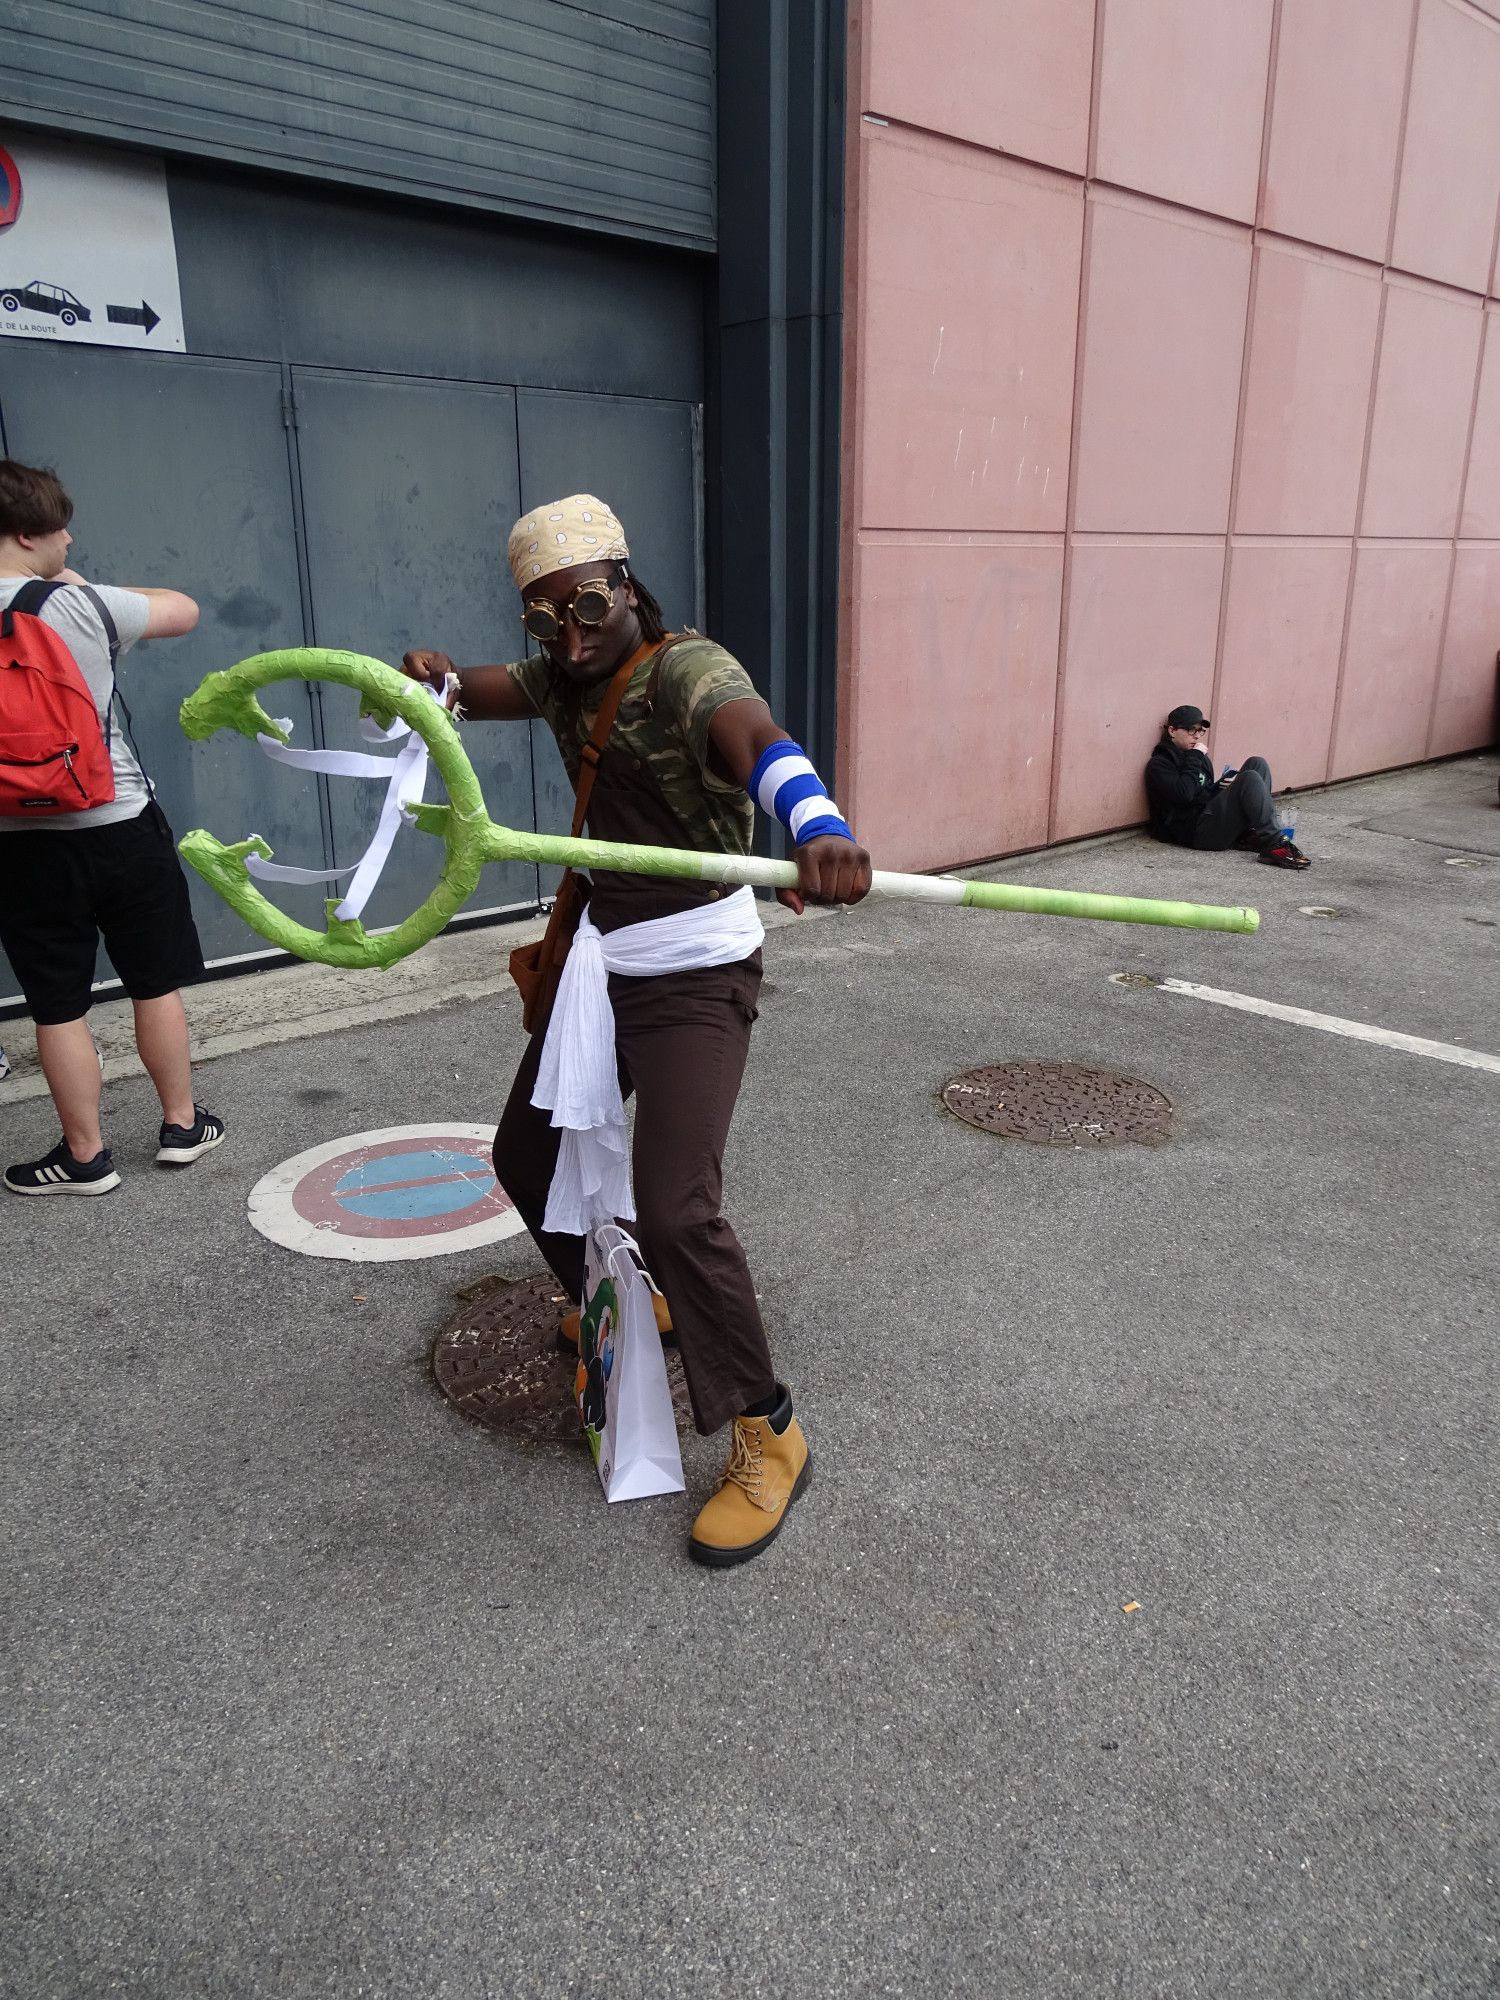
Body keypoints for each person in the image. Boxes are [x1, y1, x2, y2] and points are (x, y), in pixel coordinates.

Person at [402, 494, 871, 1568]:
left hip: (696, 972)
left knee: (676, 1203)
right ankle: (630, 1307)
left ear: (624, 580)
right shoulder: (563, 675)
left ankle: (769, 1429)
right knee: (524, 1156)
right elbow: (475, 689)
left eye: (588, 607)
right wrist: (427, 680)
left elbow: (755, 733)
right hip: (600, 962)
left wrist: (819, 823)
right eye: (545, 620)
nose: (570, 635)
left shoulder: (680, 667)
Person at [0, 458, 226, 1195]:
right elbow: (183, 609)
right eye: (61, 527)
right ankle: (181, 1126)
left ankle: (85, 1157)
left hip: (21, 844)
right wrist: (73, 583)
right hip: (121, 821)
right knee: (153, 982)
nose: (70, 537)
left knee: (57, 1004)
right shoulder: (83, 605)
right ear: (33, 534)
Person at [1144, 704, 1309, 869]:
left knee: (1257, 764)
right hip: (1195, 832)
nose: (1196, 736)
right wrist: (1194, 757)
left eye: (1200, 730)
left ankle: (1249, 835)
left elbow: (1201, 792)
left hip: (1208, 818)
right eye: (1191, 730)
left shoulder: (1197, 757)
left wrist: (1219, 788)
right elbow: (1185, 794)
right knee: (1249, 778)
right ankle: (1274, 844)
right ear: (1172, 731)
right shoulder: (1160, 764)